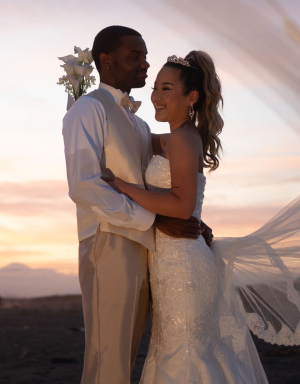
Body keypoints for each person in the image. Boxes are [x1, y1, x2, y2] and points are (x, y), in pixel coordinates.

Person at [104, 51, 267, 383]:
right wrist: (95, 104)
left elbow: (181, 205)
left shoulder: (182, 138)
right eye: (155, 87)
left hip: (183, 266)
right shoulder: (175, 137)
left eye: (166, 89)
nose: (156, 96)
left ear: (191, 97)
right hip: (173, 259)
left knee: (185, 355)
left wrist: (123, 186)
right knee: (177, 351)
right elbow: (133, 138)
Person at [62, 26, 207, 384]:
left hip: (146, 250)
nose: (145, 64)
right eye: (135, 57)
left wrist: (193, 220)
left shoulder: (140, 123)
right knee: (108, 361)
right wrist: (154, 221)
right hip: (109, 243)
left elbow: (164, 178)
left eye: (145, 56)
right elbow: (85, 186)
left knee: (124, 361)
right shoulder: (88, 109)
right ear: (106, 61)